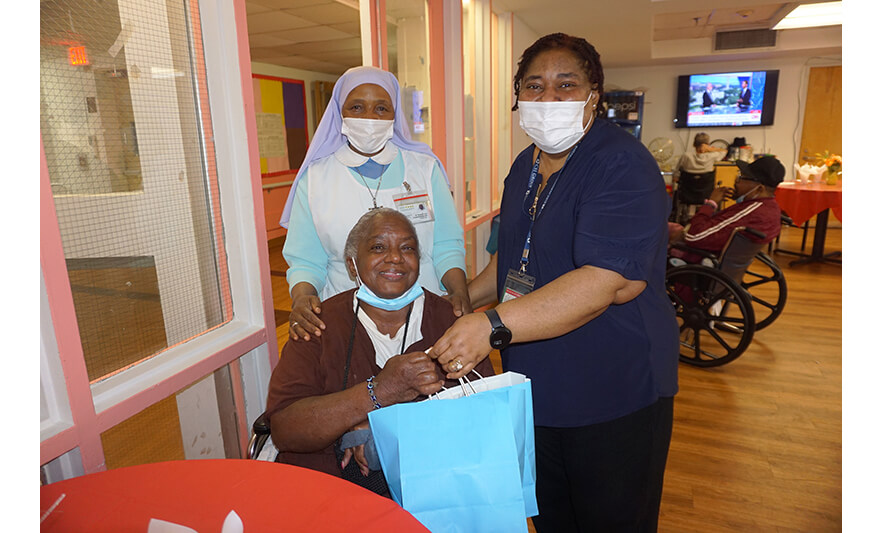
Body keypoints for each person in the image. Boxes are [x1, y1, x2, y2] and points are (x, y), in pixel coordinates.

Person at [429, 33, 678, 532]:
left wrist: (490, 325)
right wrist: (460, 299)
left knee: (610, 521)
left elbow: (606, 282)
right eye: (535, 86)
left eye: (566, 86)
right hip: (533, 385)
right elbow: (516, 262)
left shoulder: (620, 164)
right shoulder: (525, 165)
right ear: (518, 97)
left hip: (611, 387)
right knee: (552, 516)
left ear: (594, 96)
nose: (548, 100)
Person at [265, 208, 494, 495]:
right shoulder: (318, 325)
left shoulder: (452, 322)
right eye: (378, 247)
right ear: (352, 265)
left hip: (435, 494)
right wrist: (378, 392)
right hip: (332, 497)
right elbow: (285, 429)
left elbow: (485, 418)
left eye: (407, 248)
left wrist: (379, 427)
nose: (395, 257)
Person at [278, 66, 470, 343]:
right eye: (356, 107)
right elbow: (307, 259)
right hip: (347, 314)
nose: (369, 117)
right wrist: (302, 297)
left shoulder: (425, 170)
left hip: (423, 308)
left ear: (394, 115)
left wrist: (459, 290)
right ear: (340, 114)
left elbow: (446, 244)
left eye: (381, 108)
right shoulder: (317, 178)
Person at [669, 156, 784, 261]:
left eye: (741, 178)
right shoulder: (767, 207)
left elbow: (694, 237)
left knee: (659, 232)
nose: (736, 182)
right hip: (708, 249)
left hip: (695, 261)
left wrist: (711, 203)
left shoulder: (752, 212)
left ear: (759, 189)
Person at [674, 132, 728, 223]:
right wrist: (710, 149)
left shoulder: (686, 156)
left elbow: (676, 174)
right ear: (707, 144)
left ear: (694, 144)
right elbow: (724, 151)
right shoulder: (712, 156)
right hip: (706, 195)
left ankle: (684, 217)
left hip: (686, 195)